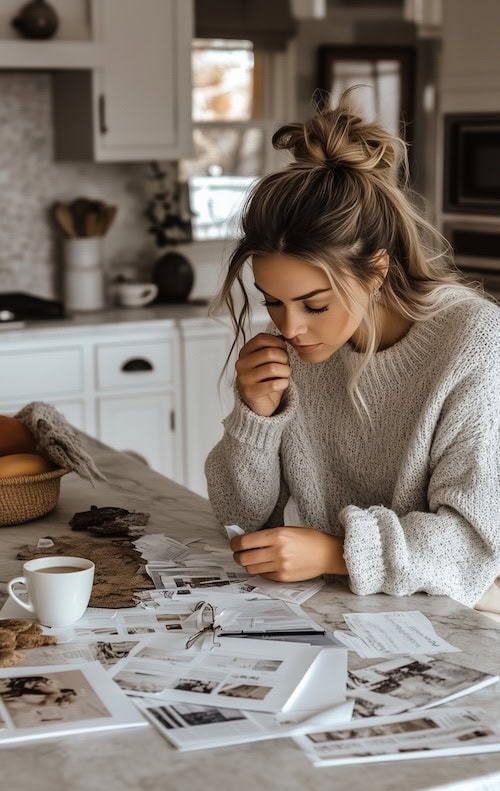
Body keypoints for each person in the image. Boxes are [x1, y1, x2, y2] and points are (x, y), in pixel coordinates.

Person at [204, 91, 500, 610]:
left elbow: (472, 544)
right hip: (348, 607)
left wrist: (337, 553)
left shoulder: (473, 341)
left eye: (314, 305)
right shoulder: (298, 350)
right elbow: (240, 514)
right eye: (273, 301)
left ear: (376, 270)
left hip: (457, 611)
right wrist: (255, 415)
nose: (290, 328)